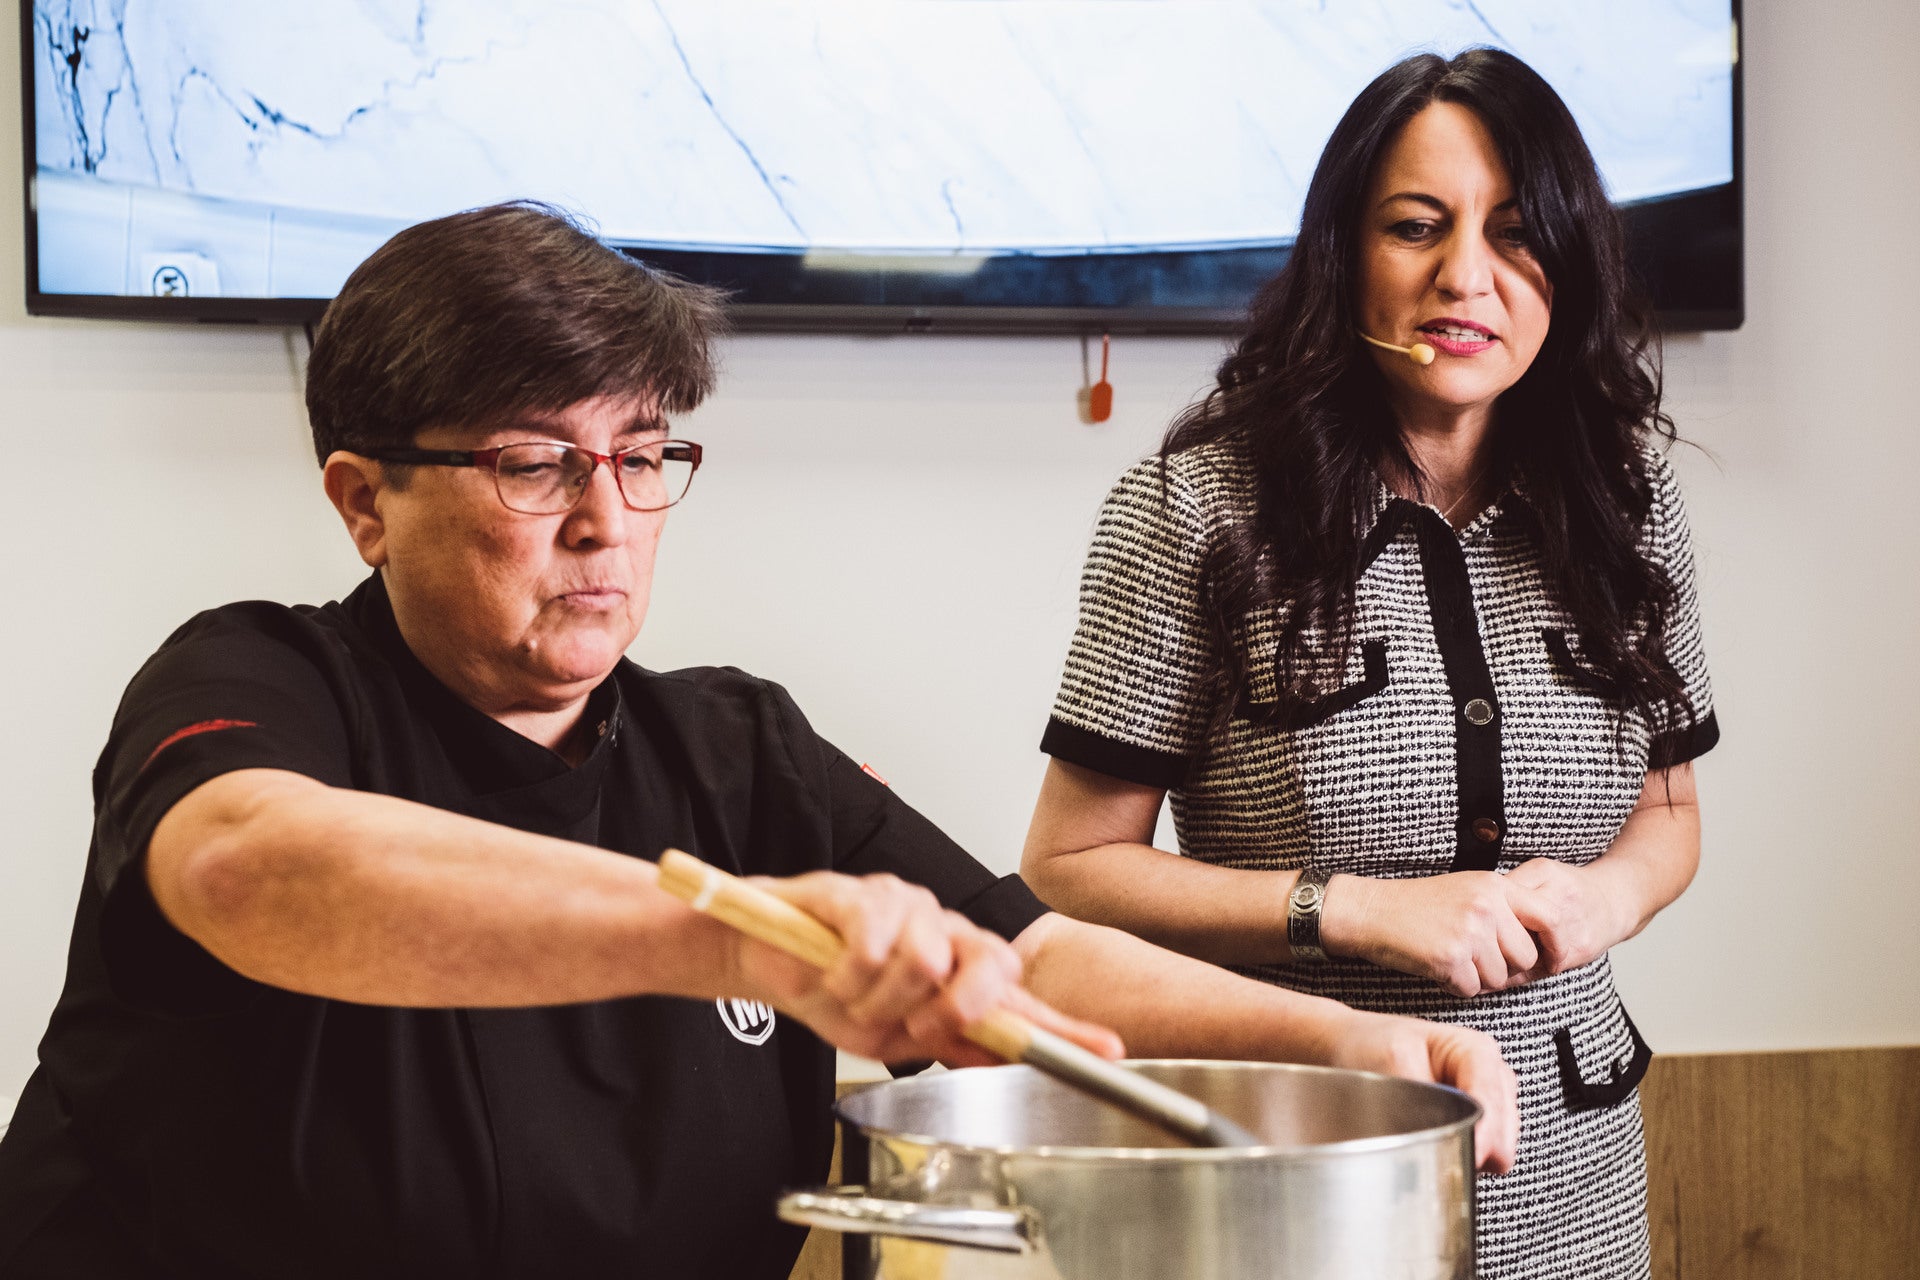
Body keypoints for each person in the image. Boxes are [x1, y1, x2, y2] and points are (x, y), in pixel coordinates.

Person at [0, 202, 1514, 1279]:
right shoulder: (260, 679)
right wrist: (740, 943)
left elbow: (1019, 959)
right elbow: (253, 869)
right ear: (362, 499)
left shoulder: (735, 750)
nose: (604, 520)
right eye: (536, 464)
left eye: (643, 457)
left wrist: (1346, 1041)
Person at [1023, 48, 1715, 1280]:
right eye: (1416, 227)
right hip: (1303, 1165)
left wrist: (1604, 900)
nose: (1467, 277)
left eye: (1515, 233)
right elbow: (1070, 869)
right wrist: (1353, 909)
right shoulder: (1191, 508)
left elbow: (1668, 812)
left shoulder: (1627, 498)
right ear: (1346, 254)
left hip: (1577, 1174)